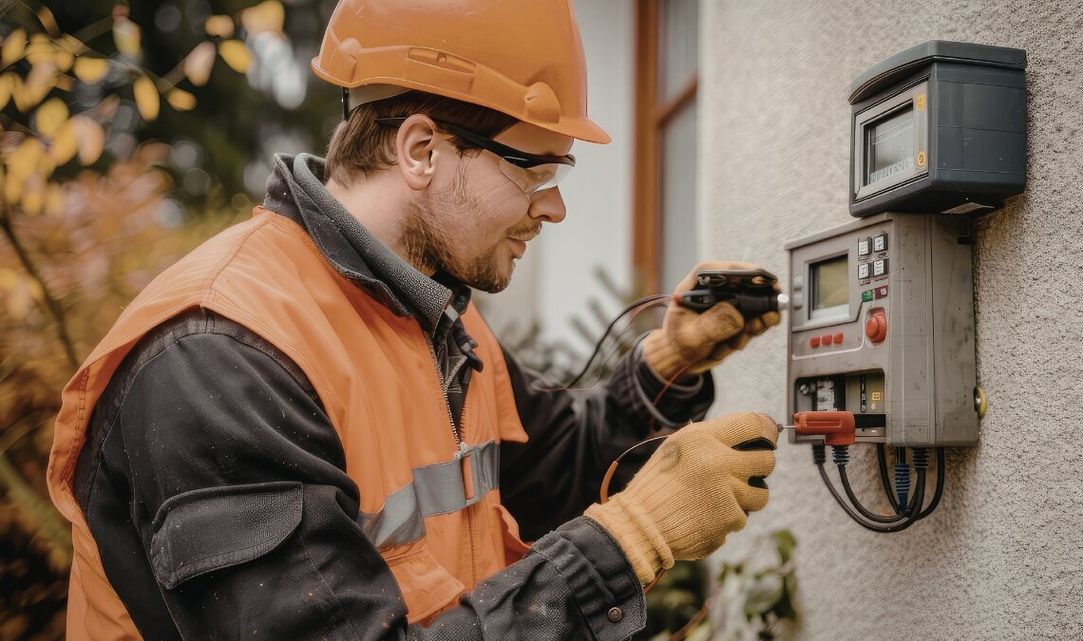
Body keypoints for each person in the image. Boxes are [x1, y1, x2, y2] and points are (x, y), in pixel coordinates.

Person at [46, 1, 783, 639]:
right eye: (534, 171)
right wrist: (634, 538)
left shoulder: (432, 317)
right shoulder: (221, 359)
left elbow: (559, 470)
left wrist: (670, 360)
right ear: (421, 150)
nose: (554, 207)